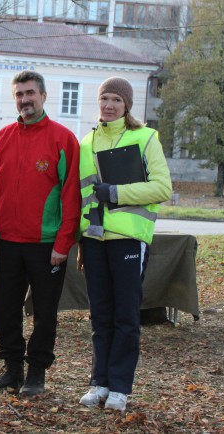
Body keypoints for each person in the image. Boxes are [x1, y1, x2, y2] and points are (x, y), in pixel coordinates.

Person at [0, 70, 81, 397]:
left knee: (45, 312)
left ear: (44, 96)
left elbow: (71, 196)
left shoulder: (63, 139)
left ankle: (37, 372)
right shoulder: (1, 138)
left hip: (47, 245)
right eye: (19, 94)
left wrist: (63, 243)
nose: (25, 100)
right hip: (8, 242)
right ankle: (11, 369)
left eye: (30, 93)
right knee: (5, 309)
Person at [77, 77, 172, 412]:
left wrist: (116, 193)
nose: (110, 105)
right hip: (94, 239)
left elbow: (163, 188)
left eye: (117, 99)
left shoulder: (145, 137)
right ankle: (98, 382)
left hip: (129, 238)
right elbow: (82, 195)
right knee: (100, 315)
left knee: (126, 316)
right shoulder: (87, 142)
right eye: (105, 97)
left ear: (127, 105)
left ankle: (119, 387)